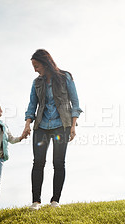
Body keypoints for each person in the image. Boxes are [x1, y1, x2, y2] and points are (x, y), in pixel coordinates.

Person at [22, 49, 82, 210]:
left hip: (61, 126)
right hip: (41, 126)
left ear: (45, 62)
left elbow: (75, 103)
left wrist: (73, 126)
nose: (35, 69)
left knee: (58, 162)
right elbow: (32, 105)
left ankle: (55, 200)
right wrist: (27, 124)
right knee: (38, 163)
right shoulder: (37, 83)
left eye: (36, 66)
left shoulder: (65, 77)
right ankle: (36, 201)